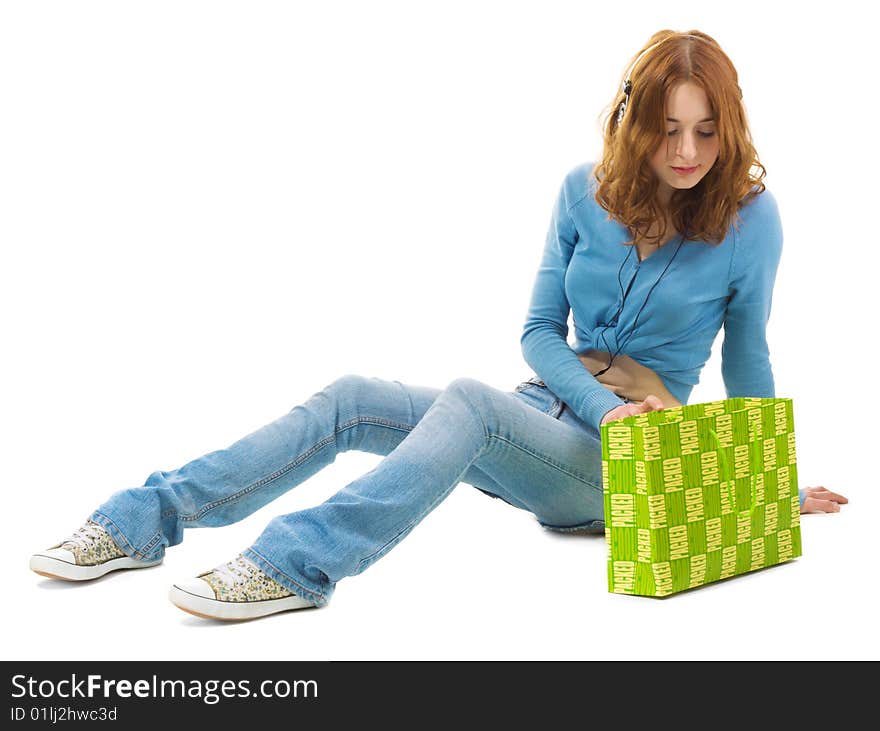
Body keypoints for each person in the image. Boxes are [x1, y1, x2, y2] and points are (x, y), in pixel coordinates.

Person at [30, 29, 847, 621]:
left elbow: (749, 358)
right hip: (546, 412)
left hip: (627, 462)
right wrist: (596, 401)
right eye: (669, 127)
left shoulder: (749, 218)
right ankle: (142, 519)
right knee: (354, 397)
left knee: (467, 398)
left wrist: (765, 485)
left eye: (707, 129)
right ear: (635, 123)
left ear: (729, 124)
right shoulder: (582, 191)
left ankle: (293, 562)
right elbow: (536, 332)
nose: (688, 150)